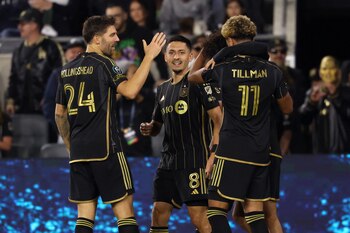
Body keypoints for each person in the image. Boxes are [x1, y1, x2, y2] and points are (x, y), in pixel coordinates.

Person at [55, 15, 166, 232]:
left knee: (84, 218)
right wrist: (149, 57)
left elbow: (60, 114)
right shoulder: (105, 63)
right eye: (112, 34)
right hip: (107, 150)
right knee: (125, 216)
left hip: (79, 152)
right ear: (97, 39)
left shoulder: (66, 69)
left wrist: (70, 146)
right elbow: (131, 91)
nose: (117, 39)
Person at [188, 15, 293, 233]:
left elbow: (192, 77)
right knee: (254, 212)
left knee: (216, 211)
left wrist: (217, 54)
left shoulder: (222, 68)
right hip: (260, 152)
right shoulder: (273, 71)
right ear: (253, 38)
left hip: (231, 149)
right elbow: (287, 108)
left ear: (231, 41)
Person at [139, 35, 222, 233]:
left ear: (190, 56)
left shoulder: (198, 81)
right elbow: (158, 125)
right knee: (158, 213)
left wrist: (214, 155)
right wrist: (150, 127)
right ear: (165, 57)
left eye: (182, 53)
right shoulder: (162, 89)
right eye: (172, 52)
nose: (177, 57)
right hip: (167, 164)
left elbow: (219, 120)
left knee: (199, 219)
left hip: (195, 162)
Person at [106, 2, 169, 156]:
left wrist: (161, 78)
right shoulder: (105, 38)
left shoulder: (141, 33)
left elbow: (158, 57)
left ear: (125, 16)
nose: (114, 19)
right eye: (110, 17)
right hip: (116, 91)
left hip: (141, 89)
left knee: (140, 130)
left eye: (117, 16)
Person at [5, 8, 64, 116]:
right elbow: (13, 78)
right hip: (21, 108)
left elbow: (61, 76)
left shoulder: (51, 47)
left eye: (23, 24)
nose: (19, 27)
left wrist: (52, 98)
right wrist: (11, 100)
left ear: (34, 25)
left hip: (46, 108)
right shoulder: (18, 51)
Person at [267, 38, 310, 155]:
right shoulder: (263, 76)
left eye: (283, 51)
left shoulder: (297, 75)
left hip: (295, 130)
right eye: (275, 51)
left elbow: (300, 104)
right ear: (269, 54)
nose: (279, 55)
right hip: (272, 131)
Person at [299, 55, 350, 154]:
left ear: (338, 71)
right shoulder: (313, 93)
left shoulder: (347, 92)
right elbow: (303, 120)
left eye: (331, 68)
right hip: (320, 156)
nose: (328, 72)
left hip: (345, 155)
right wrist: (311, 103)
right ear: (320, 72)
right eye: (324, 69)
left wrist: (335, 96)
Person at [42, 37, 86, 143]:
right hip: (66, 131)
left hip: (90, 131)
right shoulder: (57, 74)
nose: (75, 54)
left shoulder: (93, 73)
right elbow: (48, 104)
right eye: (72, 51)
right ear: (66, 55)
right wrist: (61, 128)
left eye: (79, 51)